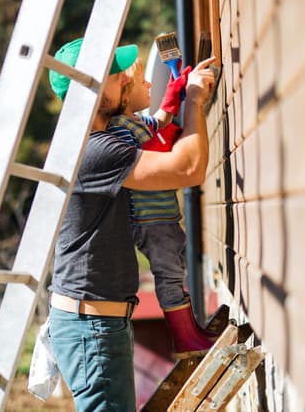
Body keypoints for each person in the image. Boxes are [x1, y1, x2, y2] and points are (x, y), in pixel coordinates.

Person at [46, 36, 216, 411]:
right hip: (92, 327)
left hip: (98, 321)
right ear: (88, 90)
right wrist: (195, 104)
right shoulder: (94, 149)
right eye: (114, 75)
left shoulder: (100, 140)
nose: (126, 78)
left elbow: (154, 130)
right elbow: (188, 169)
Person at [107, 58, 220, 359]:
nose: (148, 86)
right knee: (169, 274)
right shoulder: (120, 128)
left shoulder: (137, 122)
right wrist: (182, 104)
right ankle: (184, 339)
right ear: (125, 96)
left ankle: (191, 332)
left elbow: (160, 121)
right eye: (142, 83)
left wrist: (174, 90)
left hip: (163, 217)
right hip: (150, 221)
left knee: (175, 272)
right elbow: (157, 139)